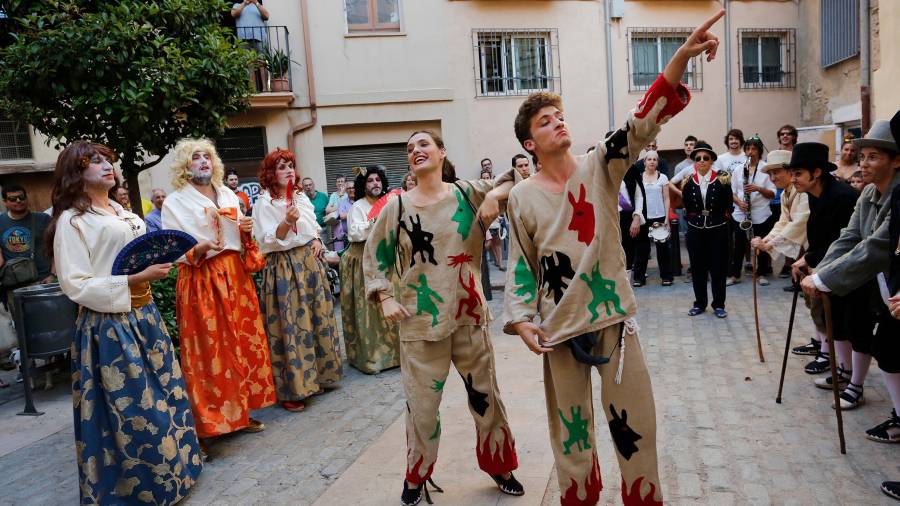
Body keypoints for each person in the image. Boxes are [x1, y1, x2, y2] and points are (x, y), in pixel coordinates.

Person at [504, 11, 722, 505]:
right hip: (559, 328)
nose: (557, 122)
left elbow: (641, 121)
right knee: (573, 436)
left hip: (613, 319)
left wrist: (679, 60)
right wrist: (520, 320)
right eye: (544, 121)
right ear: (528, 143)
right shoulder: (521, 196)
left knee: (636, 425)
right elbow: (521, 264)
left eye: (558, 115)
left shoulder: (599, 165)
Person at [364, 130, 523, 505]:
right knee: (421, 409)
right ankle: (417, 475)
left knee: (487, 401)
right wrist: (385, 295)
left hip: (468, 317)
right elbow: (375, 259)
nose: (415, 151)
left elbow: (521, 178)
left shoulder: (468, 192)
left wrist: (494, 198)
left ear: (441, 152)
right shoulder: (397, 207)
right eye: (409, 149)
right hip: (420, 325)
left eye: (423, 144)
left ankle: (500, 465)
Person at [48, 141, 201, 504]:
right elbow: (75, 284)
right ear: (76, 173)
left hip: (145, 316)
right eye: (94, 161)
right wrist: (132, 280)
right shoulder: (72, 221)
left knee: (166, 395)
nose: (106, 166)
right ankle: (143, 489)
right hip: (109, 325)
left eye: (107, 160)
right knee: (134, 408)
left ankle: (178, 472)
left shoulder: (123, 212)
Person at [161, 138, 275, 446]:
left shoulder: (227, 193)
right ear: (185, 166)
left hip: (234, 275)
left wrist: (246, 228)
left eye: (207, 157)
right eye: (195, 157)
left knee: (239, 344)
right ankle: (212, 421)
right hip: (202, 277)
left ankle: (241, 412)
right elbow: (173, 246)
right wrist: (197, 248)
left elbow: (236, 233)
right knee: (211, 349)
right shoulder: (175, 201)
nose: (202, 162)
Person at [799, 120, 900, 412]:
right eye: (863, 157)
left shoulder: (897, 196)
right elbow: (850, 237)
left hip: (884, 280)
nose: (864, 164)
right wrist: (822, 272)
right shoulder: (868, 193)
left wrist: (824, 277)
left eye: (873, 157)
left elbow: (875, 246)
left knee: (882, 345)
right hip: (874, 281)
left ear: (896, 161)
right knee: (883, 346)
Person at [252, 149, 342, 412]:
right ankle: (294, 388)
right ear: (271, 173)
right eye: (282, 167)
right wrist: (285, 221)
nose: (289, 170)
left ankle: (317, 377)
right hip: (282, 265)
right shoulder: (264, 203)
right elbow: (267, 240)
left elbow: (312, 226)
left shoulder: (300, 196)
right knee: (290, 324)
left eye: (291, 165)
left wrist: (315, 239)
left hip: (308, 263)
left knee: (316, 318)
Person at [787, 142, 865, 394]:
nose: (793, 179)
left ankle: (855, 384)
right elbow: (820, 237)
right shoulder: (813, 194)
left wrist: (809, 259)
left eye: (798, 173)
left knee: (854, 325)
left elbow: (841, 241)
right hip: (828, 267)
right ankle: (843, 371)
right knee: (835, 323)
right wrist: (807, 259)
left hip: (853, 271)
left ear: (816, 172)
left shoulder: (841, 197)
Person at [341, 166, 400, 374]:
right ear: (363, 185)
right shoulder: (358, 206)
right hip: (362, 260)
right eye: (370, 181)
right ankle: (373, 358)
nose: (375, 183)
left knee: (391, 304)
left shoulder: (390, 203)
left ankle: (396, 354)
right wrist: (373, 222)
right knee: (369, 309)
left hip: (385, 259)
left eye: (378, 180)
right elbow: (355, 234)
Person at [675, 141, 733, 318]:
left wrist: (721, 219)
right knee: (698, 268)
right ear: (694, 161)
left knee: (718, 268)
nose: (701, 161)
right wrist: (693, 219)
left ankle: (719, 305)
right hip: (696, 229)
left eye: (705, 158)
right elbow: (686, 205)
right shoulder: (687, 181)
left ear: (711, 161)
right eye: (698, 158)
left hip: (718, 229)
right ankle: (699, 303)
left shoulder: (722, 179)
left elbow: (728, 205)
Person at [728, 136, 776, 286]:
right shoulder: (738, 169)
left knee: (760, 244)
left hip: (760, 213)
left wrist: (758, 188)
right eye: (748, 148)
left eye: (754, 149)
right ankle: (736, 274)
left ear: (759, 151)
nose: (750, 152)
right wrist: (739, 202)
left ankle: (761, 273)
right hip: (741, 213)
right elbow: (732, 192)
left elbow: (773, 193)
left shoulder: (766, 169)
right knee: (739, 245)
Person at [0, 184, 54, 297]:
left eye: (21, 197)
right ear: (5, 202)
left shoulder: (43, 219)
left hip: (42, 280)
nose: (18, 201)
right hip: (13, 286)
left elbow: (57, 248)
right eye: (13, 199)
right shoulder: (1, 222)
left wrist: (53, 275)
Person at [632, 151, 672, 286]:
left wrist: (667, 218)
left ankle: (666, 277)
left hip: (659, 216)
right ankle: (638, 278)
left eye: (655, 159)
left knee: (663, 249)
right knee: (641, 249)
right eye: (649, 159)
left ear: (657, 162)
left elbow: (666, 199)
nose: (652, 161)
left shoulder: (663, 178)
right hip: (643, 217)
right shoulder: (638, 177)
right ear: (644, 162)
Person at [481, 169, 505, 270]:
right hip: (487, 223)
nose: (486, 179)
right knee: (489, 243)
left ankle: (500, 263)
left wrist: (500, 217)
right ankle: (490, 261)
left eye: (487, 177)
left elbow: (500, 205)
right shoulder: (480, 191)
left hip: (496, 222)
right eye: (484, 178)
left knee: (497, 243)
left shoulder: (496, 190)